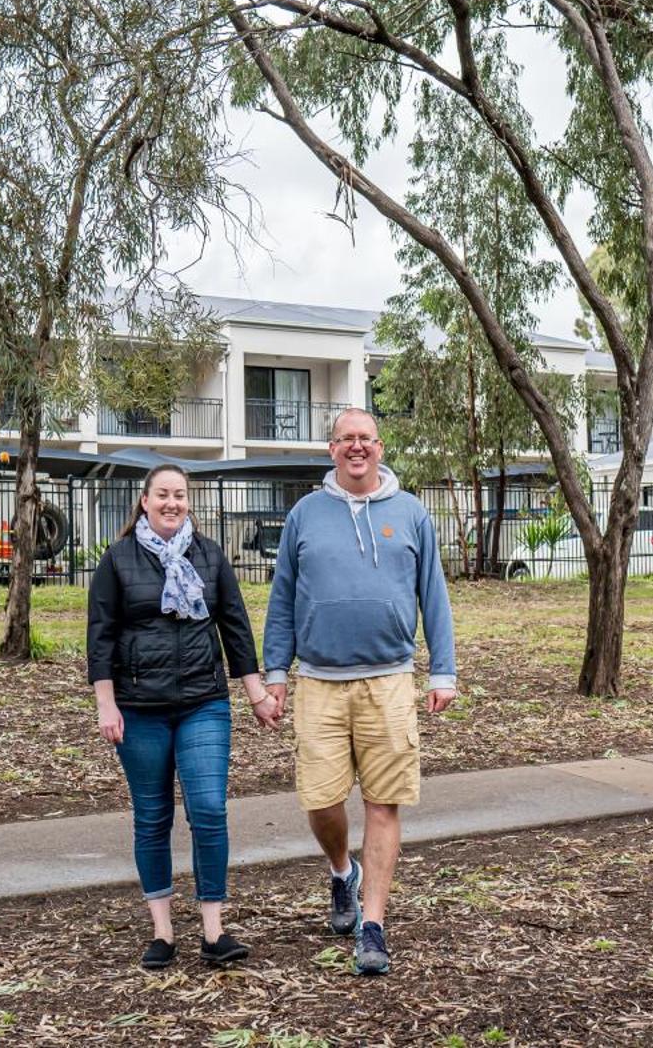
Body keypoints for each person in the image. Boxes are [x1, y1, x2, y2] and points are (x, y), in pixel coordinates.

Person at [263, 407, 457, 976]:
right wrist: (276, 673)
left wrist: (442, 672)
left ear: (379, 446)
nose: (356, 447)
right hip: (319, 682)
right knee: (320, 801)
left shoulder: (411, 512)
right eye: (346, 439)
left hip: (390, 680)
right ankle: (341, 871)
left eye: (365, 438)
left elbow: (434, 595)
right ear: (331, 450)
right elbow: (282, 600)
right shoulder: (305, 514)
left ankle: (373, 925)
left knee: (383, 801)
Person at [88, 463, 279, 970]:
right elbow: (100, 637)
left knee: (209, 810)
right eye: (163, 495)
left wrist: (256, 692)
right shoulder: (118, 559)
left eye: (180, 495)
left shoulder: (209, 556)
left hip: (203, 703)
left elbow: (235, 626)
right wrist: (105, 703)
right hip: (138, 709)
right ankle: (163, 932)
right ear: (145, 500)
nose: (172, 503)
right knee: (153, 817)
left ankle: (214, 931)